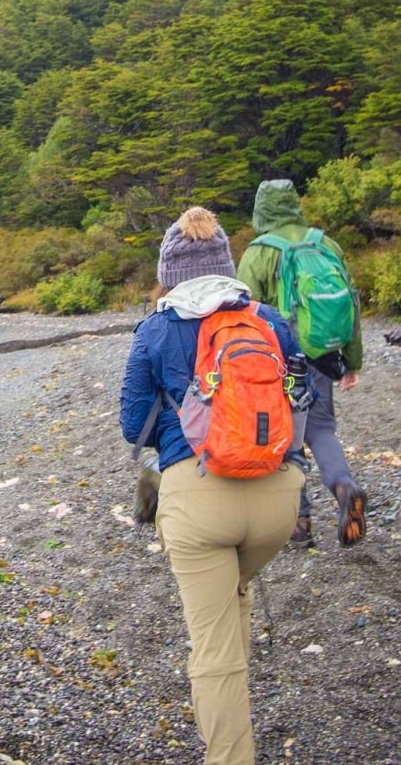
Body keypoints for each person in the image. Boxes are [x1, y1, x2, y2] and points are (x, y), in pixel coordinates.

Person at [119, 205, 304, 765]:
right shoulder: (270, 321)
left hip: (197, 501)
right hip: (278, 499)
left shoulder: (155, 328)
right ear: (226, 265)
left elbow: (133, 425)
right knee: (234, 593)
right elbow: (302, 398)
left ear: (169, 274)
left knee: (215, 651)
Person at [237, 178, 368, 547]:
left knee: (285, 439)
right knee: (321, 428)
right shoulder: (326, 244)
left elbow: (246, 315)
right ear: (295, 204)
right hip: (323, 354)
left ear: (261, 209)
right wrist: (351, 361)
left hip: (279, 360)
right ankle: (344, 487)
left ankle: (299, 523)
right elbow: (351, 305)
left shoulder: (258, 252)